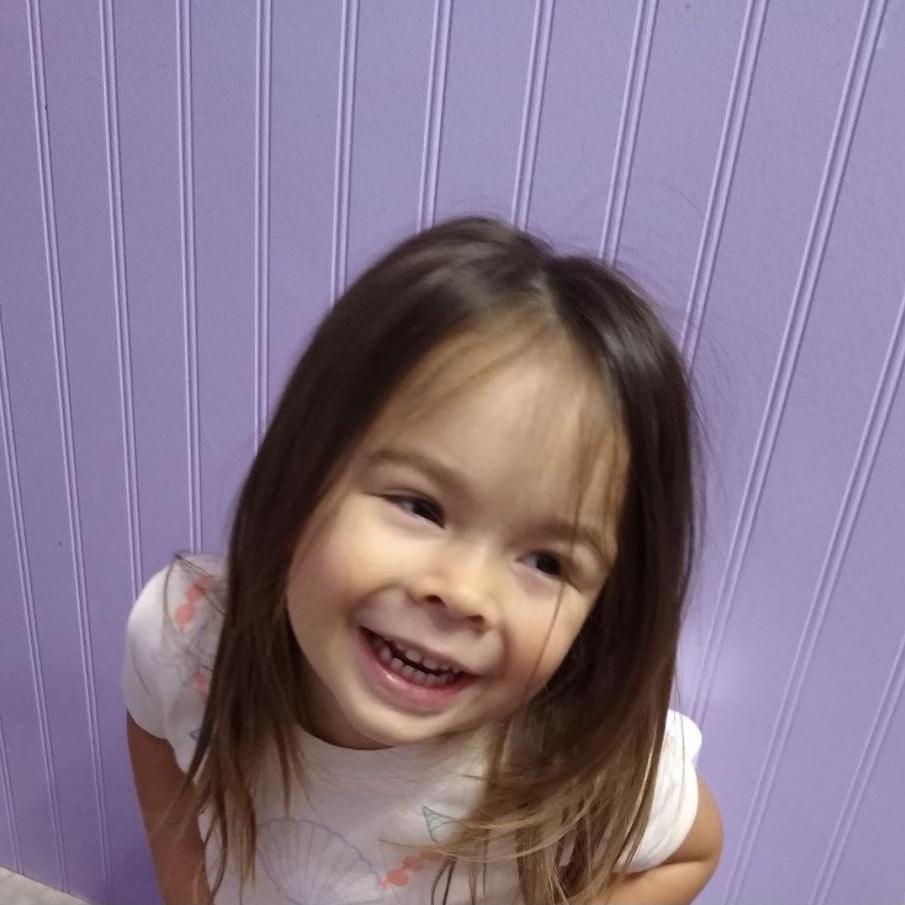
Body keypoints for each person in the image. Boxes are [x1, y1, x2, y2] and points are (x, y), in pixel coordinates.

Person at [123, 216, 723, 905]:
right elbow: (153, 725)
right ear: (301, 472)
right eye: (420, 506)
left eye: (547, 562)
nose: (464, 591)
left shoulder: (574, 752)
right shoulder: (187, 634)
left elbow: (693, 849)